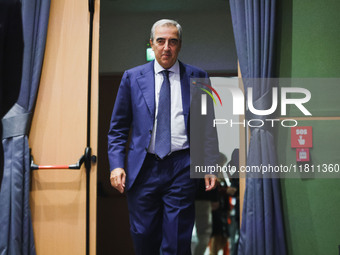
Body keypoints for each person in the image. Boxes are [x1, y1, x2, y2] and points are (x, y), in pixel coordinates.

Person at [108, 19, 219, 255]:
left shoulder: (198, 76)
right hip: (143, 167)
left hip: (182, 165)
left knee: (177, 240)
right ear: (152, 43)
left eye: (172, 41)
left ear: (179, 45)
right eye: (161, 41)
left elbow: (207, 126)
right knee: (143, 234)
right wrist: (116, 166)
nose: (166, 47)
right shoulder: (132, 77)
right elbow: (118, 128)